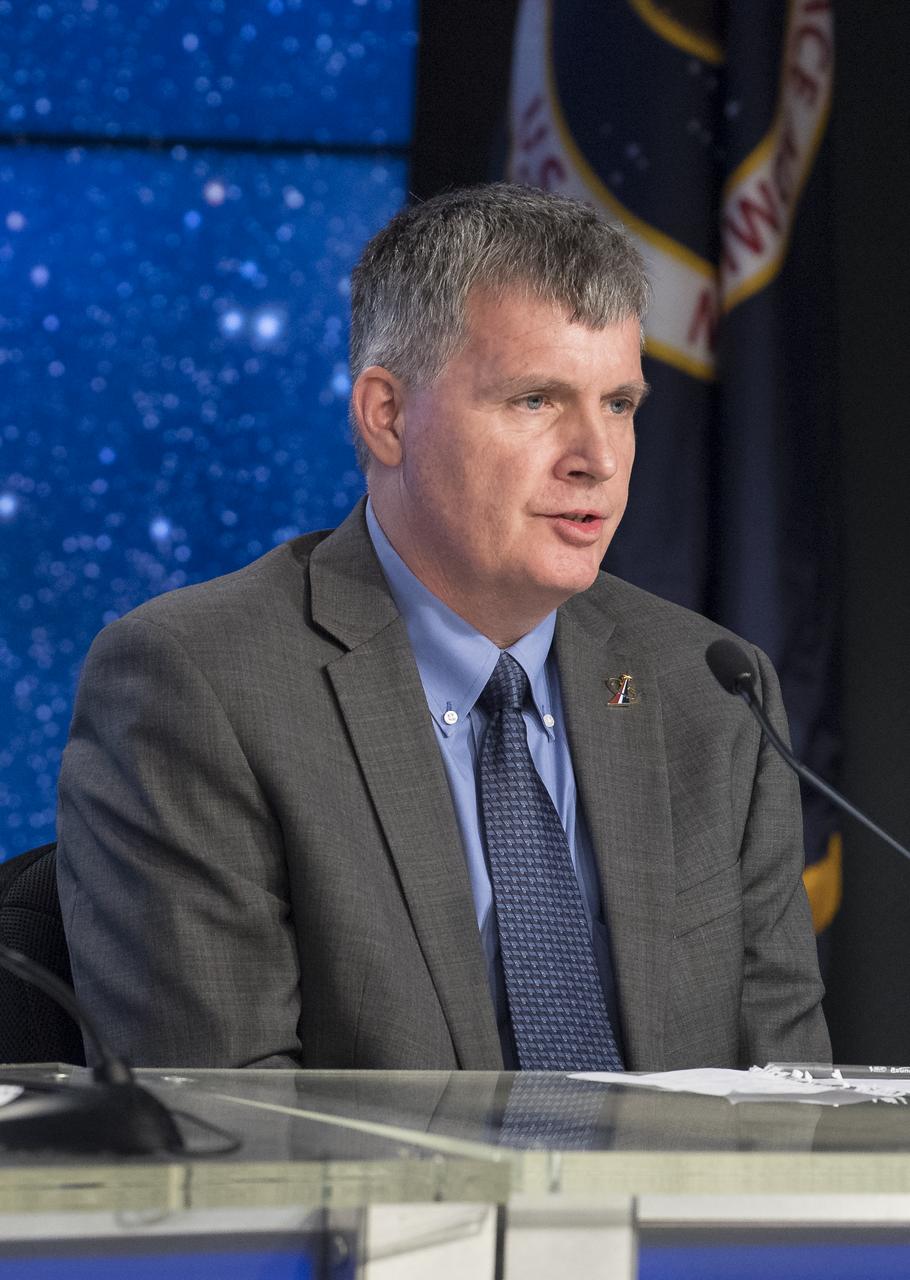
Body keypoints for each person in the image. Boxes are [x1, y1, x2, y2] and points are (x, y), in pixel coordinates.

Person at [56, 184, 830, 1071]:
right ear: (387, 415)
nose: (599, 459)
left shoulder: (711, 687)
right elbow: (224, 1119)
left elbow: (789, 1099)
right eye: (536, 400)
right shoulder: (200, 682)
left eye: (619, 403)